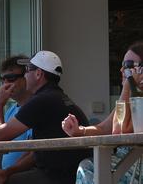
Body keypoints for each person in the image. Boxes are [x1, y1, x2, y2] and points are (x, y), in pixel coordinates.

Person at [0, 50, 91, 183]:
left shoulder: (42, 101)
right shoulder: (57, 97)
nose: (25, 75)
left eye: (27, 70)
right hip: (67, 173)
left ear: (38, 74)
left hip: (57, 176)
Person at [61, 41, 143, 184]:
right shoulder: (131, 97)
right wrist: (80, 130)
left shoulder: (133, 97)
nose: (122, 70)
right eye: (123, 65)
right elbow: (104, 128)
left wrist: (126, 88)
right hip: (128, 165)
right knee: (87, 166)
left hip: (136, 167)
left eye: (128, 65)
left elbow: (118, 131)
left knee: (89, 168)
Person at [0, 56, 34, 184]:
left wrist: (7, 172)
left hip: (20, 176)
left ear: (27, 78)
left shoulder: (36, 107)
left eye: (11, 78)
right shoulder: (11, 110)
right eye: (3, 79)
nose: (6, 84)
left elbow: (32, 155)